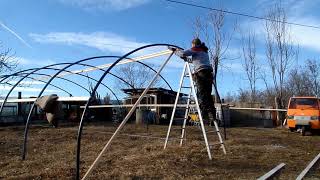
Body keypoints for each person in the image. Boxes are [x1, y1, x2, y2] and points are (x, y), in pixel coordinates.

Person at [174, 38, 216, 125]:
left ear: (194, 44)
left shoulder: (196, 48)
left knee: (201, 94)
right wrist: (185, 58)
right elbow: (195, 60)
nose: (191, 46)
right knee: (208, 95)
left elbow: (183, 53)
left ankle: (204, 115)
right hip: (209, 74)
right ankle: (213, 115)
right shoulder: (204, 51)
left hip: (202, 73)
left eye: (192, 45)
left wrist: (175, 51)